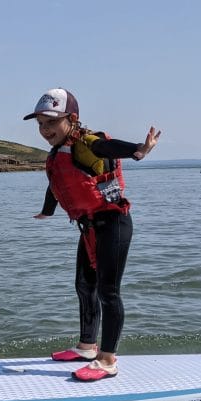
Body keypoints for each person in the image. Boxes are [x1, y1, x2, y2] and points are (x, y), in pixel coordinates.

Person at [25, 88, 161, 382]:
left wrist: (140, 149)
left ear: (72, 119)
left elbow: (110, 149)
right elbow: (57, 184)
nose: (45, 130)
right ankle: (87, 347)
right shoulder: (60, 152)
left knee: (107, 292)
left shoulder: (87, 143)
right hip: (89, 227)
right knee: (84, 286)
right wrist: (47, 211)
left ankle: (108, 360)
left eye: (51, 122)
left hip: (113, 224)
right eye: (41, 124)